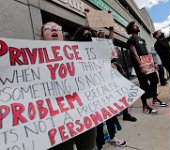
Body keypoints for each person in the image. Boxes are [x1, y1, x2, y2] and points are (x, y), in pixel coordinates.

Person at [41, 21, 97, 150]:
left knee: (88, 146)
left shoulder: (78, 52)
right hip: (54, 119)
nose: (53, 29)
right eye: (48, 28)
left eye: (57, 28)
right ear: (42, 35)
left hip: (83, 112)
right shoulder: (30, 58)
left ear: (62, 33)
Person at [73, 26, 127, 149]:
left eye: (89, 33)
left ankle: (112, 136)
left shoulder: (99, 47)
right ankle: (99, 145)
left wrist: (111, 65)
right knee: (96, 120)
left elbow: (110, 46)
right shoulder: (74, 50)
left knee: (111, 115)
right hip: (87, 91)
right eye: (84, 33)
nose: (86, 34)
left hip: (103, 88)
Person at [126, 21, 167, 114]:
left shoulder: (142, 40)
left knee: (155, 80)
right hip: (140, 65)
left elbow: (147, 52)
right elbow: (134, 53)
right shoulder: (131, 40)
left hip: (148, 63)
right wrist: (141, 65)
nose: (136, 26)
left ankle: (155, 100)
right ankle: (145, 107)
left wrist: (154, 62)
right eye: (134, 25)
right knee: (144, 85)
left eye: (136, 25)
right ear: (131, 29)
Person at [97, 29, 137, 122]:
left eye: (103, 34)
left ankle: (125, 114)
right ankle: (114, 115)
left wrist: (111, 29)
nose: (101, 35)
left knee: (123, 91)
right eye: (99, 34)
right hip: (103, 74)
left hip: (114, 69)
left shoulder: (107, 44)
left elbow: (111, 39)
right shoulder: (94, 46)